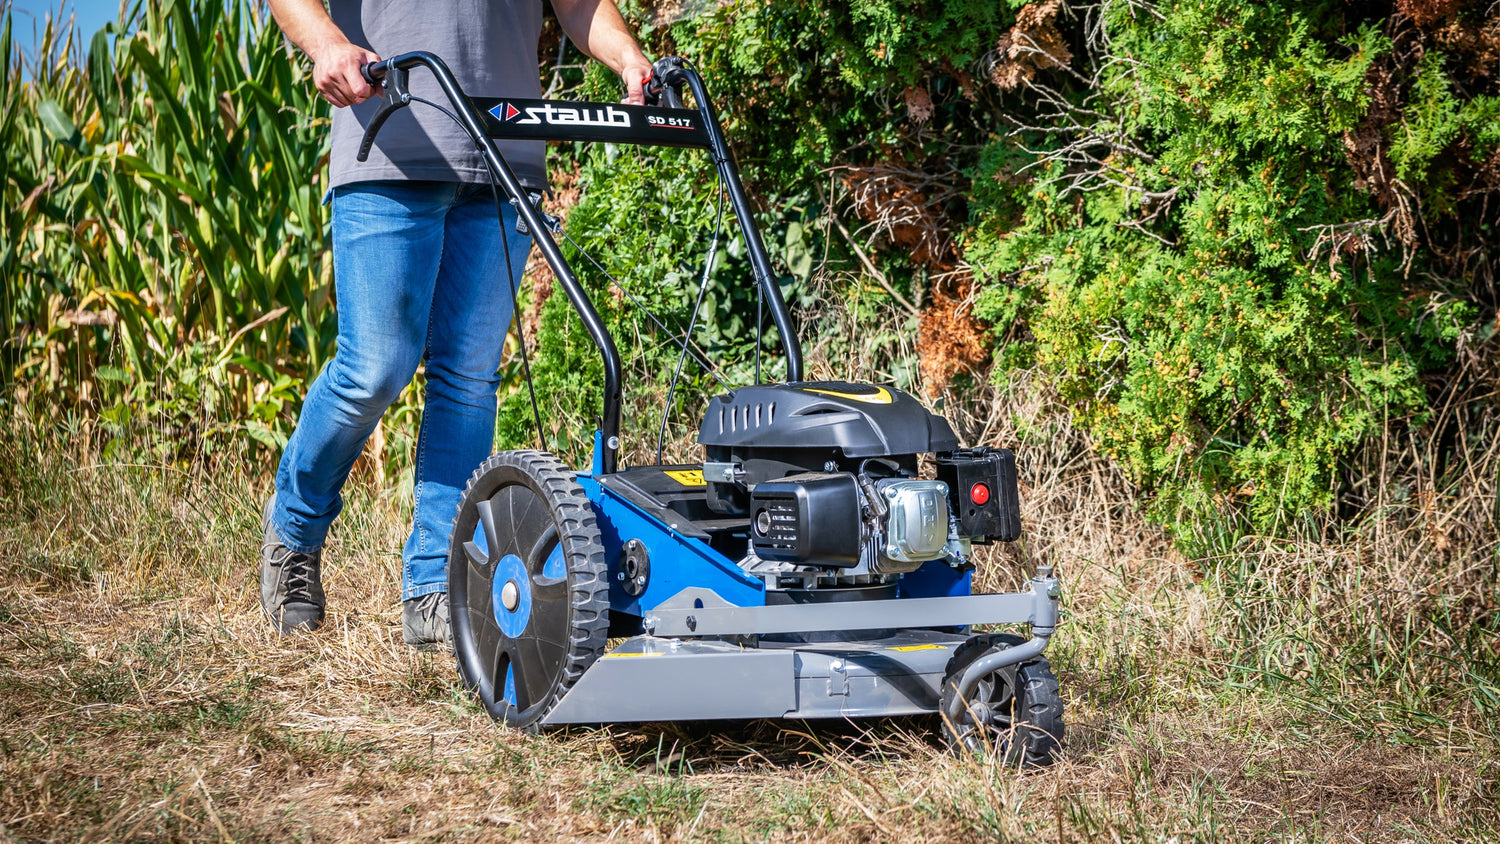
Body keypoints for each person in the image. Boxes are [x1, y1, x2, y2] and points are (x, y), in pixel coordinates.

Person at [259, 0, 652, 648]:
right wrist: (327, 43)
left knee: (469, 380)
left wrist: (627, 57)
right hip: (390, 137)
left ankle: (434, 589)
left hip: (508, 149)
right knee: (374, 368)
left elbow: (580, 6)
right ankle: (295, 528)